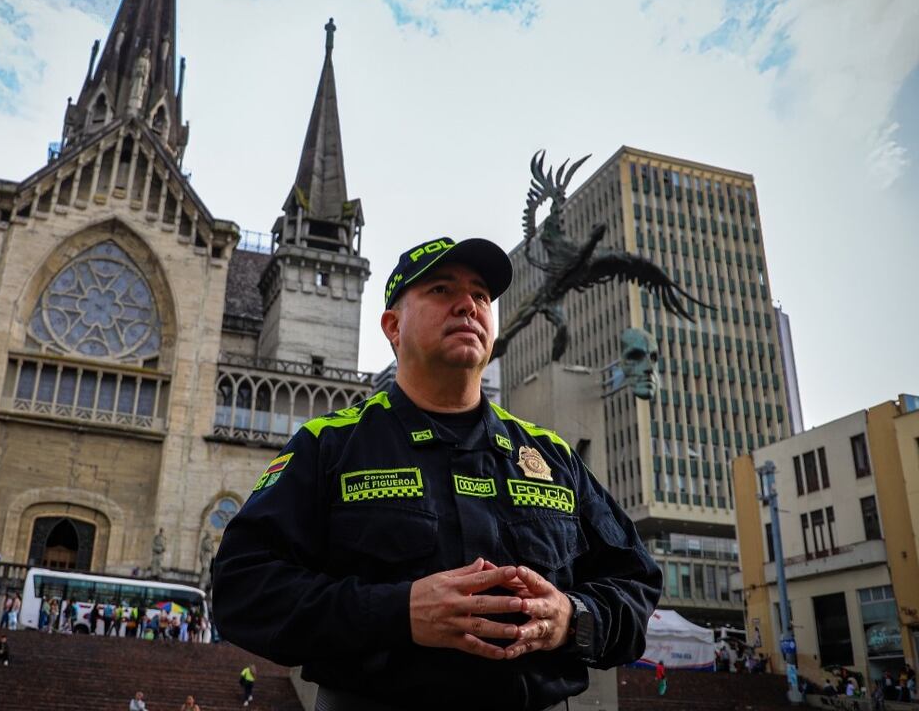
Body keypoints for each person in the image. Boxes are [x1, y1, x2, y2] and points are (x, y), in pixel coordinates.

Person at [213, 237, 662, 710]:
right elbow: (241, 587)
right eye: (442, 290)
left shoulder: (550, 456)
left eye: (482, 296)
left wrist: (572, 617)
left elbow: (637, 582)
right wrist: (399, 612)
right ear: (393, 326)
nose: (468, 304)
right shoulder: (330, 445)